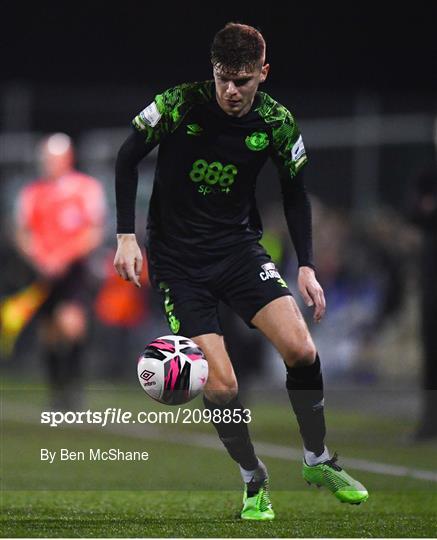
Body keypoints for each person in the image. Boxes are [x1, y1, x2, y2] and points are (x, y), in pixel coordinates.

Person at [114, 23, 368, 520]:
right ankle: (254, 478)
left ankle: (317, 459)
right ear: (212, 71)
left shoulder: (276, 122)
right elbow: (127, 160)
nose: (232, 90)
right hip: (180, 263)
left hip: (239, 251)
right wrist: (126, 235)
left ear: (263, 74)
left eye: (244, 80)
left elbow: (295, 193)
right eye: (224, 78)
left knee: (301, 347)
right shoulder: (178, 105)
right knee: (223, 386)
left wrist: (308, 265)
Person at [15, 133, 106, 409]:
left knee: (72, 324)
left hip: (73, 270)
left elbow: (93, 231)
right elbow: (22, 232)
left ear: (67, 159)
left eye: (53, 158)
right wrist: (39, 258)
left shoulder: (86, 188)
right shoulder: (32, 192)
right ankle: (57, 390)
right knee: (49, 333)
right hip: (41, 270)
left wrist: (63, 258)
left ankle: (74, 386)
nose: (48, 163)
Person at [409, 169, 437, 440]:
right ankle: (430, 420)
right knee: (431, 355)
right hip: (432, 281)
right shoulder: (427, 176)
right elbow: (416, 214)